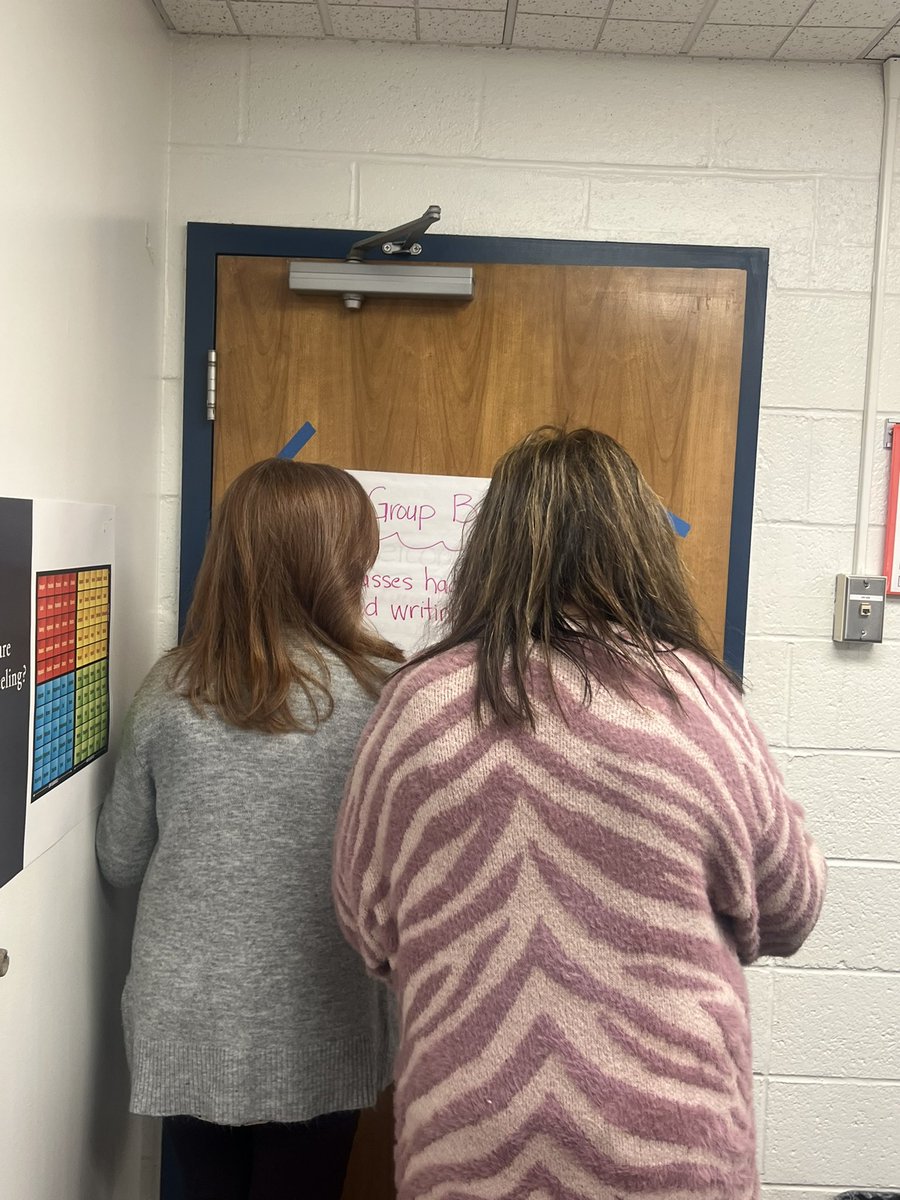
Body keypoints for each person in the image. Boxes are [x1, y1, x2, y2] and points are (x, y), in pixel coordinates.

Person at [333, 426, 825, 1200]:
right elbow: (792, 905)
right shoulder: (696, 701)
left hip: (468, 1145)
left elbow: (366, 924)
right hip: (671, 1150)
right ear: (642, 549)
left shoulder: (415, 708)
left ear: (490, 552)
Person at [97, 458, 403, 1200]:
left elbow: (119, 858)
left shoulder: (167, 692)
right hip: (323, 1024)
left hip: (189, 1023)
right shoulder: (385, 698)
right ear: (341, 568)